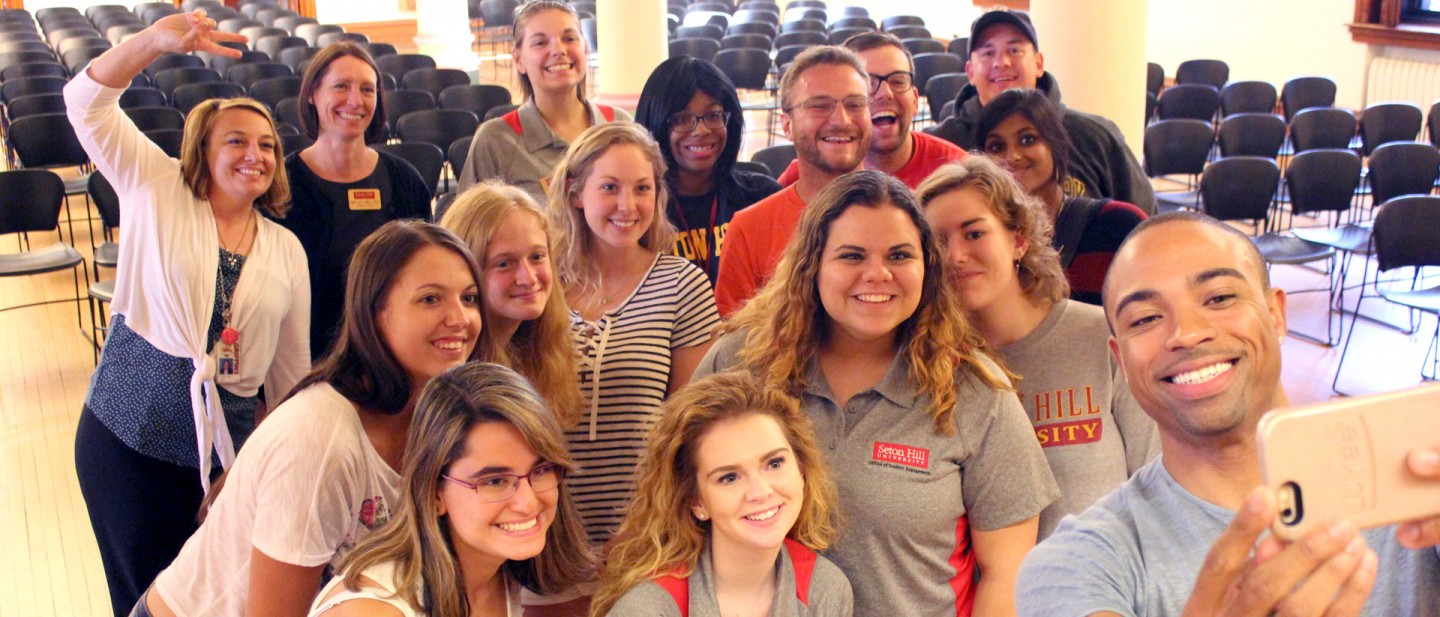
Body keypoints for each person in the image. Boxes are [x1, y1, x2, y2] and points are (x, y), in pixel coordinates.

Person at [1016, 211, 1440, 616]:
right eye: (1145, 318)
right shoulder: (1075, 564)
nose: (1187, 333)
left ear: (1276, 315)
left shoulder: (1417, 483)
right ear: (1120, 360)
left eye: (1219, 298)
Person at [696, 170, 1059, 616]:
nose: (877, 274)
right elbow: (675, 514)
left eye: (899, 255)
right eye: (851, 255)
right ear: (812, 265)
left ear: (927, 268)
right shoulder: (741, 362)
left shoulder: (974, 390)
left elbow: (1008, 575)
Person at [64, 11, 309, 616]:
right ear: (201, 146)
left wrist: (249, 466)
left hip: (226, 458)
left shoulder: (285, 248)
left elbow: (289, 381)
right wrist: (152, 42)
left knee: (216, 600)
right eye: (236, 140)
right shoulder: (157, 186)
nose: (256, 154)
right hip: (126, 436)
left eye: (268, 146)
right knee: (146, 599)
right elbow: (85, 102)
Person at [140, 220, 485, 617]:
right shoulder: (321, 441)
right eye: (430, 299)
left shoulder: (439, 417)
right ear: (374, 313)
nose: (460, 318)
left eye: (470, 298)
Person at [916, 156, 1158, 540]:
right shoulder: (933, 366)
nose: (956, 256)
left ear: (1018, 240)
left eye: (974, 233)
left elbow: (1156, 481)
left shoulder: (1101, 336)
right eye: (938, 241)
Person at [544, 122, 719, 546]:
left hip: (641, 529)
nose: (628, 204)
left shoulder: (683, 284)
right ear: (574, 193)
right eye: (609, 187)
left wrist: (650, 522)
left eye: (642, 188)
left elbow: (689, 426)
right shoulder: (539, 284)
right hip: (542, 527)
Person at [308, 362, 594, 617]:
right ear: (434, 493)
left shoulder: (498, 571)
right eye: (495, 481)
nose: (527, 503)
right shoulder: (370, 610)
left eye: (541, 470)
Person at [593, 371, 853, 616]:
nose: (760, 491)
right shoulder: (647, 609)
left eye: (774, 464)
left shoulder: (825, 589)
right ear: (696, 501)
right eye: (729, 478)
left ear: (802, 471)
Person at [277, 41, 432, 358]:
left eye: (367, 89)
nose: (355, 100)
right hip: (305, 360)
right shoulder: (281, 184)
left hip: (392, 356)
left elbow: (425, 275)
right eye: (341, 87)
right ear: (312, 94)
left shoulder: (405, 181)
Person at [928, 9, 1155, 214]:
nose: (1002, 62)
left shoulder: (1095, 136)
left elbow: (1144, 221)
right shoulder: (942, 144)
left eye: (1014, 50)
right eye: (988, 53)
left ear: (1038, 63)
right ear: (970, 71)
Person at [713, 45, 872, 317]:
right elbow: (732, 346)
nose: (841, 119)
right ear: (787, 125)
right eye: (820, 106)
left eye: (855, 104)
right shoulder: (750, 230)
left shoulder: (908, 216)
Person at [975, 89, 1146, 306]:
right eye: (997, 147)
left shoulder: (1117, 225)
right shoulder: (981, 242)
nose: (1013, 156)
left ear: (1056, 145)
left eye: (1028, 139)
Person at [456, 0, 632, 201]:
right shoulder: (495, 140)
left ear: (585, 50)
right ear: (519, 59)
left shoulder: (619, 124)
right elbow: (469, 227)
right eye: (540, 42)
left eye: (569, 38)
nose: (558, 50)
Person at [439, 180, 582, 426]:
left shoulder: (544, 350)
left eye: (537, 257)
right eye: (504, 263)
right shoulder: (452, 372)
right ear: (466, 269)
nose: (528, 278)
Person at [634, 56, 781, 284]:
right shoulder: (636, 210)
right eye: (681, 119)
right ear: (656, 123)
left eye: (713, 116)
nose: (701, 130)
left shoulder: (762, 198)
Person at [774, 32, 966, 189]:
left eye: (898, 81)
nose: (885, 93)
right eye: (868, 84)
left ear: (915, 100)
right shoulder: (804, 177)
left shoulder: (957, 171)